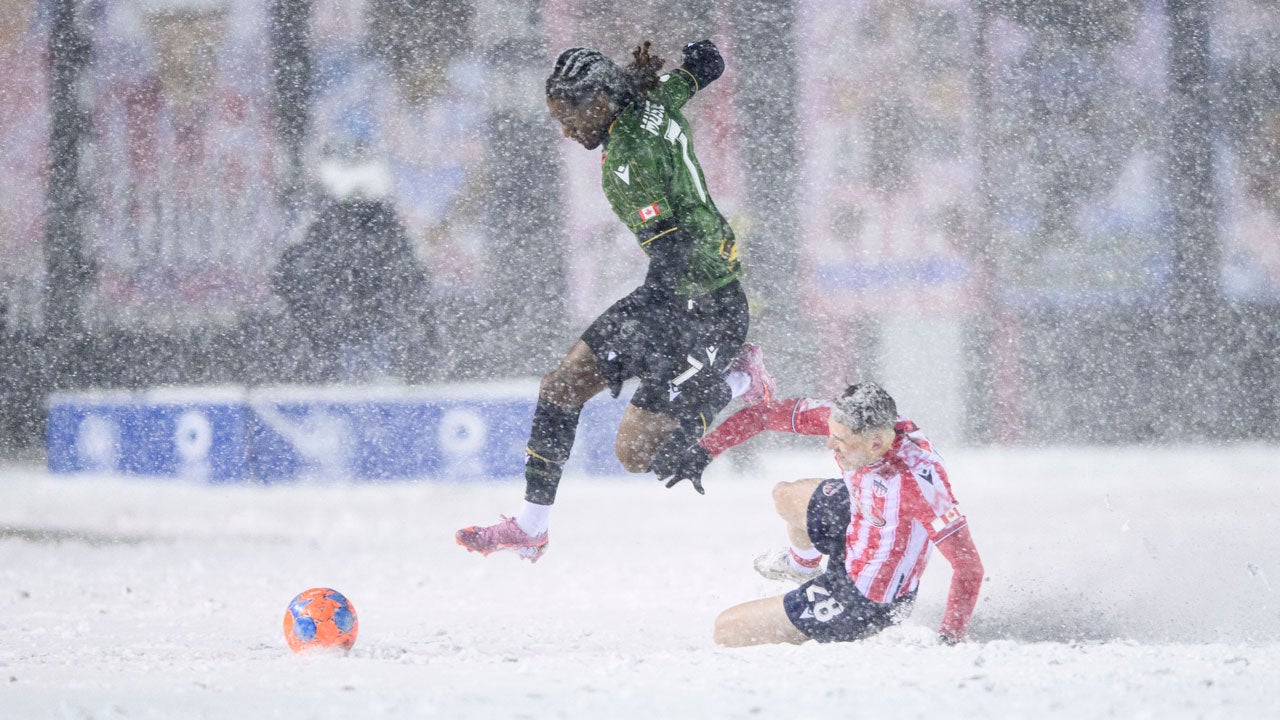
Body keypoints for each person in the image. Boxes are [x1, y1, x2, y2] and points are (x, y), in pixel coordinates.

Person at [455, 39, 774, 562]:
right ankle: (532, 526)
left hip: (707, 307)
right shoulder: (654, 102)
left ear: (600, 101)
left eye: (568, 117)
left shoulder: (627, 158)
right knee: (561, 387)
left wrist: (659, 342)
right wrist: (701, 57)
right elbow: (706, 66)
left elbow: (670, 253)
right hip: (675, 293)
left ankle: (739, 377)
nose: (565, 130)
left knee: (638, 454)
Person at [682, 382, 983, 646]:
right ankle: (802, 567)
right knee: (785, 495)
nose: (829, 444)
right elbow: (762, 415)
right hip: (860, 520)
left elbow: (968, 567)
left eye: (839, 441)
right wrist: (706, 450)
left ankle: (819, 610)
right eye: (831, 433)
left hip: (865, 599)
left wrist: (949, 640)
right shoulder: (855, 422)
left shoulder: (920, 481)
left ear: (875, 442)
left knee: (727, 629)